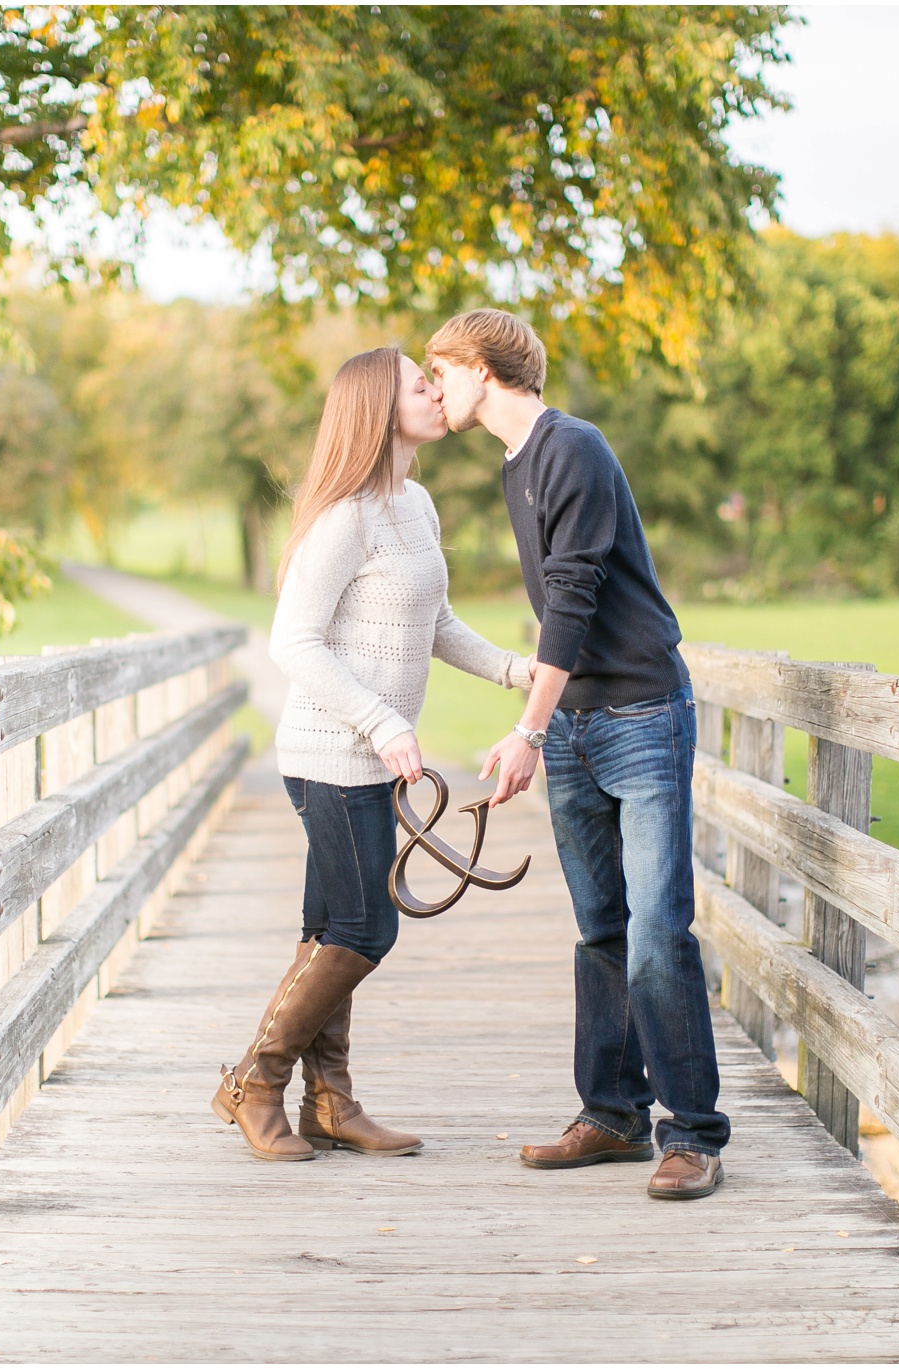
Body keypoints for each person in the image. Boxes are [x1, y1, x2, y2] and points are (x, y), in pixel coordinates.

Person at [426, 309, 730, 1200]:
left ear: (480, 367)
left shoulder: (573, 448)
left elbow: (574, 597)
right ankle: (612, 1114)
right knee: (601, 925)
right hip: (578, 726)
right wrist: (550, 726)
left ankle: (694, 1135)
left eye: (438, 371)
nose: (433, 388)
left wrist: (526, 727)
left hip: (639, 713)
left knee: (653, 930)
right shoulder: (517, 463)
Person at [211, 346, 534, 1162]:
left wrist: (515, 670)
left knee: (328, 927)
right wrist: (384, 723)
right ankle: (255, 1079)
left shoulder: (415, 505)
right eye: (418, 385)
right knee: (364, 926)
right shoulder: (343, 516)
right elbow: (294, 642)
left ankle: (331, 1101)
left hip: (364, 758)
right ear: (378, 410)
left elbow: (436, 622)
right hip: (330, 755)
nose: (435, 392)